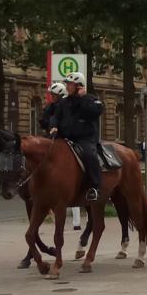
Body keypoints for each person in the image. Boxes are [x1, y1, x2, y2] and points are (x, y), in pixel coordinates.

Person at [49, 72, 104, 202]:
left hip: (84, 139)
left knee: (89, 155)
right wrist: (54, 126)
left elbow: (96, 111)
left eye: (69, 84)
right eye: (66, 84)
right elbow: (55, 116)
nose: (67, 86)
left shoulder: (91, 99)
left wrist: (83, 98)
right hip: (65, 138)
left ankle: (96, 187)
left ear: (79, 86)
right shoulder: (63, 102)